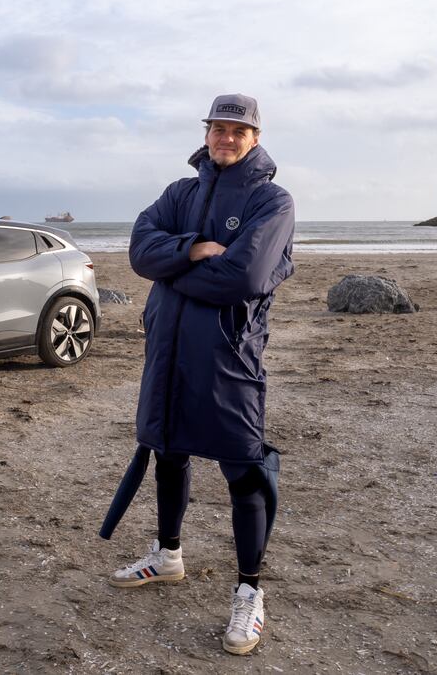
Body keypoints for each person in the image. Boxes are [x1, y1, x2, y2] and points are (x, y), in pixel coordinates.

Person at [108, 94, 295, 655]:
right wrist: (192, 249)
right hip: (167, 354)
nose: (227, 138)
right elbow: (140, 250)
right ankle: (168, 557)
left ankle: (249, 591)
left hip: (229, 359)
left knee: (243, 471)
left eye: (239, 130)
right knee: (168, 454)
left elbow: (243, 276)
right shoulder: (179, 193)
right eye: (219, 127)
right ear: (207, 132)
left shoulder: (273, 201)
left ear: (255, 137)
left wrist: (172, 274)